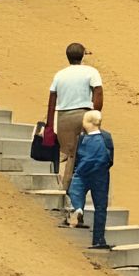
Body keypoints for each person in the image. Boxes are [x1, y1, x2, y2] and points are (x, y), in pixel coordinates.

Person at [45, 42, 104, 197]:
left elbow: (52, 99)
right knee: (86, 152)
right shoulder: (91, 71)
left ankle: (64, 188)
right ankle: (79, 190)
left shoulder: (60, 74)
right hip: (85, 115)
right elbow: (98, 92)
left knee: (67, 152)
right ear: (82, 55)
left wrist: (50, 124)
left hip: (63, 117)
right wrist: (96, 114)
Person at [66, 110, 115, 247]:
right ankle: (99, 239)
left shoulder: (82, 138)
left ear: (87, 123)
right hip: (101, 174)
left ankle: (78, 209)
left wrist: (76, 170)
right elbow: (111, 156)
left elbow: (76, 155)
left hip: (83, 171)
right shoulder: (107, 137)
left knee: (75, 190)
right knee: (101, 207)